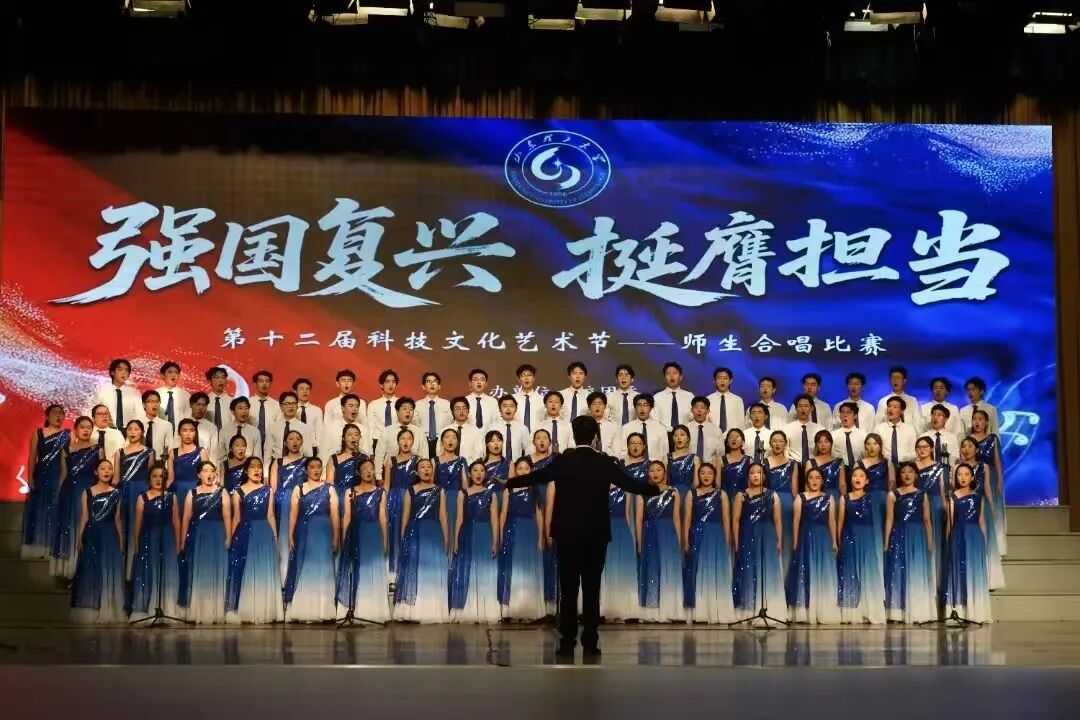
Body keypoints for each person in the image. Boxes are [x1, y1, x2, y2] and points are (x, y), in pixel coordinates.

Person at [505, 416, 659, 659]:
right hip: (596, 533)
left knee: (568, 589)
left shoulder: (564, 460)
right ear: (595, 436)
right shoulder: (603, 461)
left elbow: (539, 476)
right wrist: (654, 489)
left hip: (567, 533)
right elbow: (629, 483)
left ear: (574, 436)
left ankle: (567, 641)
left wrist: (510, 482)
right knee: (591, 587)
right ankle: (590, 641)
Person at [226, 457, 283, 624]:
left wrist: (275, 539)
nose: (257, 470)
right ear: (246, 470)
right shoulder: (238, 491)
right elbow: (236, 517)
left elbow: (270, 515)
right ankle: (249, 610)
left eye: (259, 467)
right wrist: (232, 539)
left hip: (264, 533)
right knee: (247, 570)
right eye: (252, 467)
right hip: (245, 532)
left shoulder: (268, 490)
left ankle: (265, 609)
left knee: (263, 569)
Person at [393, 458, 450, 623]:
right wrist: (403, 537)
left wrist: (446, 539)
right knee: (416, 568)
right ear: (417, 472)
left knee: (431, 570)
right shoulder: (410, 490)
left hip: (433, 534)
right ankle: (413, 611)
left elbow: (443, 517)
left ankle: (431, 610)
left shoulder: (440, 490)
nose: (426, 470)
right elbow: (405, 516)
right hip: (415, 532)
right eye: (422, 467)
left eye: (429, 467)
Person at [731, 463, 788, 622]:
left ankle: (772, 609)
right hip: (748, 535)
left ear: (764, 476)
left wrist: (779, 541)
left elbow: (777, 521)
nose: (756, 475)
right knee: (749, 569)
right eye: (752, 473)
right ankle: (748, 612)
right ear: (748, 476)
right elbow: (735, 520)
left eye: (759, 472)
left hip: (767, 536)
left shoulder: (772, 495)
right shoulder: (741, 496)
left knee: (768, 569)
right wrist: (736, 541)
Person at [69, 459, 124, 624]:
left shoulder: (116, 493)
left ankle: (107, 607)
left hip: (109, 534)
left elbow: (118, 519)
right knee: (91, 568)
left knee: (108, 568)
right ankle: (91, 608)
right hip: (92, 533)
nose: (106, 471)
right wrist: (79, 537)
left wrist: (121, 541)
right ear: (96, 472)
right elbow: (84, 517)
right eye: (102, 468)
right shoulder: (87, 492)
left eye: (109, 469)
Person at [284, 457, 338, 622]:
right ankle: (305, 609)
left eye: (318, 467)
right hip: (304, 532)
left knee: (324, 568)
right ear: (306, 470)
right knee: (305, 567)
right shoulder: (298, 489)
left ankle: (323, 610)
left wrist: (336, 536)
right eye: (312, 467)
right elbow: (293, 514)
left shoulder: (330, 489)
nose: (316, 470)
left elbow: (335, 515)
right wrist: (290, 534)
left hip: (324, 533)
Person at [336, 458, 390, 623]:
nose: (368, 471)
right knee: (357, 569)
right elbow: (346, 517)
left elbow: (382, 518)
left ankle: (372, 610)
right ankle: (356, 608)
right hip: (356, 533)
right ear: (358, 472)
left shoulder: (380, 492)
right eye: (365, 469)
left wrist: (385, 540)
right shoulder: (350, 491)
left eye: (371, 468)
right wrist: (344, 539)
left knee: (372, 568)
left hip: (373, 534)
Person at [179, 461, 231, 624]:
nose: (209, 474)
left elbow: (227, 516)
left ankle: (217, 610)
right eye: (205, 470)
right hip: (199, 535)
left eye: (212, 470)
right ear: (199, 474)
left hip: (217, 534)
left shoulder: (222, 492)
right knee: (201, 569)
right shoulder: (192, 493)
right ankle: (200, 609)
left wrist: (228, 536)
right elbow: (186, 518)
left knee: (217, 568)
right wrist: (182, 540)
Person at [786, 466, 840, 624]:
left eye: (818, 478)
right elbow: (796, 521)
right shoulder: (800, 497)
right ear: (807, 480)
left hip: (824, 538)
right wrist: (795, 541)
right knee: (806, 570)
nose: (814, 481)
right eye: (811, 478)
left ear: (822, 481)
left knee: (824, 571)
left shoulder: (829, 498)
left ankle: (823, 609)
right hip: (806, 538)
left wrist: (834, 541)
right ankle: (805, 611)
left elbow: (832, 521)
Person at [884, 462, 936, 624]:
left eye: (911, 472)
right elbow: (889, 520)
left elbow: (927, 520)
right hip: (899, 534)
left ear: (916, 475)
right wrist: (886, 542)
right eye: (904, 472)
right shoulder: (893, 495)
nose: (907, 475)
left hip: (918, 536)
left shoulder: (922, 495)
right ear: (899, 475)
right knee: (899, 570)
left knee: (916, 570)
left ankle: (918, 610)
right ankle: (898, 612)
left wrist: (929, 542)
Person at [449, 461, 501, 624]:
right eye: (475, 470)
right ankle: (468, 609)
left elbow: (495, 520)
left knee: (485, 570)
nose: (478, 473)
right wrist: (455, 540)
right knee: (468, 569)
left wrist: (495, 540)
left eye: (482, 470)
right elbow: (459, 518)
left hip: (485, 534)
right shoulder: (462, 493)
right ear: (470, 474)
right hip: (468, 533)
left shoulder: (491, 494)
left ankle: (486, 610)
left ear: (485, 473)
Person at [682, 462, 734, 624]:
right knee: (697, 568)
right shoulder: (691, 493)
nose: (706, 476)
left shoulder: (721, 494)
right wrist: (685, 539)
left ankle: (717, 609)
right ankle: (700, 611)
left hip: (716, 534)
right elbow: (687, 519)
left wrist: (726, 540)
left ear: (715, 476)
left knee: (715, 568)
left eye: (709, 473)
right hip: (697, 533)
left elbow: (726, 519)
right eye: (702, 473)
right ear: (698, 475)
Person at [129, 464, 181, 623]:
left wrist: (178, 544)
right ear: (149, 479)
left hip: (167, 538)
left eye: (161, 477)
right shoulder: (142, 497)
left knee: (167, 571)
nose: (158, 480)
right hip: (149, 538)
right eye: (155, 476)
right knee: (150, 571)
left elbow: (176, 521)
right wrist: (137, 545)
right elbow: (137, 524)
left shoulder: (171, 497)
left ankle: (168, 608)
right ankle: (148, 608)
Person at [51, 417, 101, 580]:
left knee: (86, 527)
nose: (86, 430)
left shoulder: (97, 450)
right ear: (76, 430)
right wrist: (58, 493)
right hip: (70, 492)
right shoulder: (67, 450)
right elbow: (63, 474)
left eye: (89, 427)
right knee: (70, 527)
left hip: (90, 492)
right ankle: (70, 572)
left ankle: (86, 572)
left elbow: (101, 474)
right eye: (82, 427)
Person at [943, 464, 993, 624]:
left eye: (966, 474)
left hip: (975, 537)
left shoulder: (978, 497)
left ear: (972, 477)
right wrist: (948, 541)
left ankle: (976, 611)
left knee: (974, 571)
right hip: (959, 535)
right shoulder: (952, 498)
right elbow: (949, 523)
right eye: (959, 474)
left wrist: (984, 541)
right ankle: (960, 609)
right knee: (959, 571)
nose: (963, 477)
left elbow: (981, 521)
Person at [836, 466, 886, 625]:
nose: (857, 478)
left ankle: (869, 611)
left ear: (867, 481)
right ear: (850, 479)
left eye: (861, 476)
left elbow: (877, 522)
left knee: (868, 573)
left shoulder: (873, 498)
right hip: (849, 538)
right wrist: (838, 540)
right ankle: (852, 613)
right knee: (850, 573)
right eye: (854, 475)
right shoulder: (844, 498)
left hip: (868, 540)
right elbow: (840, 522)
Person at [498, 457, 546, 622]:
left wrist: (540, 537)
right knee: (515, 567)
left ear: (531, 471)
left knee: (529, 567)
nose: (523, 471)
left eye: (526, 468)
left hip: (530, 531)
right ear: (515, 471)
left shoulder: (535, 489)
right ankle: (514, 609)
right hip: (513, 530)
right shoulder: (509, 490)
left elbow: (539, 515)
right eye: (520, 468)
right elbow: (503, 514)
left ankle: (530, 609)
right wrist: (501, 534)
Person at [636, 461, 684, 622]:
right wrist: (639, 543)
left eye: (659, 470)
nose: (655, 473)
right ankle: (652, 612)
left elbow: (676, 518)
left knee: (669, 567)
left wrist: (679, 541)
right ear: (647, 474)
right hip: (650, 534)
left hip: (669, 533)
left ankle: (670, 609)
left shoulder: (673, 492)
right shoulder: (642, 493)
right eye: (651, 470)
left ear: (664, 473)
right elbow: (639, 520)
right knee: (652, 568)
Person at [21, 405, 69, 560]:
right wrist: (30, 477)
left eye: (61, 413)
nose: (59, 416)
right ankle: (35, 548)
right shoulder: (38, 433)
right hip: (40, 475)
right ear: (47, 416)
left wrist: (62, 481)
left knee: (54, 510)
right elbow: (32, 457)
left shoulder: (66, 435)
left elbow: (64, 461)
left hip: (56, 475)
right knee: (38, 509)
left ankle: (51, 548)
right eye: (55, 413)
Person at [957, 437, 1005, 589]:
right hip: (963, 507)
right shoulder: (958, 467)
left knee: (985, 541)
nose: (966, 449)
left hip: (980, 505)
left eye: (970, 446)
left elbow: (987, 488)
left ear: (977, 449)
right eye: (964, 446)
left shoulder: (983, 466)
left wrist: (991, 507)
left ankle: (988, 580)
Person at [602, 455, 640, 623]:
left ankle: (624, 608)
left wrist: (630, 534)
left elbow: (627, 514)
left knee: (622, 567)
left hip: (621, 529)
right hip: (602, 526)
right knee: (604, 568)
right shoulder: (598, 486)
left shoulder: (625, 490)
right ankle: (603, 608)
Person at [114, 419, 153, 570]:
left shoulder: (149, 452)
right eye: (130, 429)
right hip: (124, 493)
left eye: (136, 429)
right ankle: (124, 568)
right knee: (124, 525)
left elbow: (151, 478)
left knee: (141, 526)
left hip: (141, 492)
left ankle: (138, 566)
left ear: (142, 432)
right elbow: (116, 479)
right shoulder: (119, 452)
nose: (132, 432)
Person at [272, 432, 310, 584]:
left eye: (298, 439)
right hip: (282, 502)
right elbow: (274, 487)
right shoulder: (278, 462)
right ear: (285, 443)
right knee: (284, 535)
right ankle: (283, 577)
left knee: (300, 534)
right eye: (291, 439)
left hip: (302, 499)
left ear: (302, 442)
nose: (295, 442)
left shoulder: (307, 461)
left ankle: (299, 576)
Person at [914, 435, 949, 593]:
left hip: (935, 505)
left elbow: (943, 490)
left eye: (925, 447)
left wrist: (945, 508)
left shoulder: (940, 467)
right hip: (916, 504)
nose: (922, 450)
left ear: (932, 449)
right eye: (919, 447)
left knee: (935, 541)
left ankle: (936, 582)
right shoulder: (912, 467)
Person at [970, 409, 1007, 555]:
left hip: (990, 476)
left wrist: (999, 480)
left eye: (980, 419)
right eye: (974, 419)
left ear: (986, 422)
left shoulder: (992, 439)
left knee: (992, 509)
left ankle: (997, 547)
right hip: (973, 476)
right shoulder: (968, 439)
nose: (977, 422)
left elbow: (997, 461)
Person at [385, 428, 420, 579]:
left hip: (412, 498)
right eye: (402, 438)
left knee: (409, 531)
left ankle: (409, 570)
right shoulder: (390, 460)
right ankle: (394, 574)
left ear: (413, 442)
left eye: (409, 438)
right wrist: (383, 503)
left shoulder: (418, 461)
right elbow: (387, 485)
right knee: (394, 532)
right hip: (394, 499)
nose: (406, 442)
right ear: (398, 441)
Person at [764, 431, 799, 571]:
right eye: (774, 441)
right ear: (770, 443)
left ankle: (786, 574)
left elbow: (794, 489)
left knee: (787, 537)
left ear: (785, 444)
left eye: (780, 441)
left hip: (787, 503)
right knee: (771, 536)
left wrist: (796, 506)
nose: (777, 444)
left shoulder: (792, 463)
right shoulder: (764, 462)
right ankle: (772, 573)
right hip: (769, 501)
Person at [375, 398, 428, 476]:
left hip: (414, 474)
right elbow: (379, 455)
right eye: (404, 409)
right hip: (390, 473)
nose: (408, 411)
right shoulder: (387, 431)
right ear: (397, 412)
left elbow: (424, 456)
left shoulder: (419, 432)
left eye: (411, 409)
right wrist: (378, 476)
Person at [857, 433, 895, 545]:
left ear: (880, 446)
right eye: (869, 444)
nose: (872, 447)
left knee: (884, 529)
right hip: (865, 501)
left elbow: (892, 483)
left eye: (875, 444)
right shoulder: (859, 464)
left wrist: (890, 502)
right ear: (865, 446)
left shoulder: (887, 463)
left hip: (884, 501)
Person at [86, 358, 140, 434]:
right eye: (120, 369)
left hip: (129, 433)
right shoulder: (102, 392)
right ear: (112, 372)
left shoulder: (134, 393)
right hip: (107, 432)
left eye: (126, 370)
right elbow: (91, 412)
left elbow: (140, 415)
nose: (124, 373)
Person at [434, 429, 468, 546]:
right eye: (447, 437)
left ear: (457, 442)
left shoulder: (462, 460)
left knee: (455, 528)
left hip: (456, 500)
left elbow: (465, 485)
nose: (450, 440)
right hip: (438, 500)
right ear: (442, 441)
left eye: (454, 438)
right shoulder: (434, 460)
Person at [326, 424, 366, 519]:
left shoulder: (364, 458)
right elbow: (329, 484)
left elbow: (370, 483)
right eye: (350, 434)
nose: (353, 437)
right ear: (343, 438)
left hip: (360, 497)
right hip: (340, 498)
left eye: (356, 434)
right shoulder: (334, 458)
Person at [618, 394, 668, 463]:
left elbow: (665, 454)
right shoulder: (626, 428)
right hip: (633, 467)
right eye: (639, 405)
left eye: (645, 405)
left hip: (655, 467)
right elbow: (623, 452)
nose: (642, 408)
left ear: (651, 408)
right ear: (635, 408)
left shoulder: (661, 429)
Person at [267, 391, 312, 463]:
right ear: (281, 406)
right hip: (277, 464)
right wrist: (267, 469)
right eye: (287, 403)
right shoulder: (273, 427)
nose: (291, 406)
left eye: (293, 403)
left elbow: (308, 453)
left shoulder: (305, 427)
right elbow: (267, 451)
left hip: (297, 465)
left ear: (297, 406)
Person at [780, 394, 825, 464]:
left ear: (812, 408)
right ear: (795, 408)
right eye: (800, 406)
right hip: (793, 465)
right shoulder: (786, 429)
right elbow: (785, 450)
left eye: (806, 406)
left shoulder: (820, 429)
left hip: (815, 465)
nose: (803, 409)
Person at [873, 396, 917, 466]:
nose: (891, 409)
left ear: (901, 411)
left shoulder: (910, 429)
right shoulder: (878, 429)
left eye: (895, 407)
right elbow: (875, 451)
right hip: (885, 466)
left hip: (905, 467)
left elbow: (914, 451)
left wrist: (904, 459)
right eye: (889, 406)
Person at [418, 371, 453, 458]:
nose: (432, 384)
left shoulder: (447, 404)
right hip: (423, 441)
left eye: (435, 381)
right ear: (423, 386)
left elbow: (452, 424)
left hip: (442, 442)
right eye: (428, 381)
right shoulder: (417, 405)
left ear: (439, 386)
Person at [367, 370, 401, 457]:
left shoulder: (401, 403)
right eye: (387, 382)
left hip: (396, 442)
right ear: (381, 385)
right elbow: (370, 429)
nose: (391, 385)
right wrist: (370, 450)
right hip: (377, 441)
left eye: (393, 382)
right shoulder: (373, 404)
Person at [439, 396, 484, 462]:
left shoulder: (476, 432)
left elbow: (479, 454)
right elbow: (439, 452)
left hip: (469, 466)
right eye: (457, 408)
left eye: (464, 408)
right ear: (452, 411)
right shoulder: (444, 430)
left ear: (468, 410)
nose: (461, 411)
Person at [485, 395, 530, 461]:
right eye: (505, 406)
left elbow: (527, 450)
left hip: (516, 465)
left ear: (516, 409)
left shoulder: (523, 428)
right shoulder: (492, 427)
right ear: (499, 409)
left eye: (511, 406)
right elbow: (485, 449)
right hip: (497, 465)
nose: (508, 409)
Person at [655, 361, 695, 435]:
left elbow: (693, 418)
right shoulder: (657, 397)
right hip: (663, 435)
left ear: (681, 377)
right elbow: (654, 420)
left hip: (685, 435)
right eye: (668, 374)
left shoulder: (690, 396)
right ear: (664, 378)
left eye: (675, 373)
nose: (671, 376)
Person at [807, 430, 845, 501]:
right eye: (820, 442)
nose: (823, 445)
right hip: (816, 498)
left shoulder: (839, 462)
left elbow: (842, 485)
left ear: (831, 443)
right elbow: (807, 485)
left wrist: (844, 502)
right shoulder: (810, 463)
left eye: (826, 441)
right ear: (816, 445)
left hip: (835, 497)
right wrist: (809, 501)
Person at [706, 367, 744, 436]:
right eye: (719, 378)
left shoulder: (737, 400)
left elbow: (741, 423)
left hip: (732, 438)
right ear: (714, 380)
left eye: (725, 378)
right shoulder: (708, 400)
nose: (722, 381)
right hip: (712, 437)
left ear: (730, 381)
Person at [153, 361, 191, 431]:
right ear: (162, 376)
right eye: (170, 372)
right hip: (160, 430)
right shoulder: (155, 394)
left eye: (176, 373)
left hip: (179, 432)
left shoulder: (186, 395)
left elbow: (188, 415)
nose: (173, 375)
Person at [250, 370, 281, 451]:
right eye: (261, 381)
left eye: (267, 381)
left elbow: (279, 426)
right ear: (255, 384)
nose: (264, 384)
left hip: (271, 444)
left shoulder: (277, 405)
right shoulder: (248, 403)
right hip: (251, 443)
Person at [223, 397, 263, 462]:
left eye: (246, 408)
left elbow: (258, 457)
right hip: (229, 467)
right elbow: (220, 457)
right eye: (240, 408)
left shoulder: (255, 432)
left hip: (249, 467)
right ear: (233, 411)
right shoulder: (224, 431)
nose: (244, 411)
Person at [292, 377, 323, 458]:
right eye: (302, 389)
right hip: (294, 448)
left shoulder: (317, 410)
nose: (305, 391)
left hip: (312, 448)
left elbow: (319, 434)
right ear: (295, 391)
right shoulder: (291, 409)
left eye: (307, 389)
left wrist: (319, 453)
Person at [687, 395, 724, 464]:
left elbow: (720, 455)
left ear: (708, 410)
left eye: (703, 408)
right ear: (691, 410)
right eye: (696, 407)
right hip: (689, 466)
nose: (699, 410)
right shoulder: (686, 429)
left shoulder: (716, 430)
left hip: (710, 467)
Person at [831, 402, 867, 469]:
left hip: (859, 471)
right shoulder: (832, 436)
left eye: (848, 412)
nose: (845, 415)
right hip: (839, 470)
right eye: (842, 412)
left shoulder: (864, 436)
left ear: (855, 415)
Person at [720, 428, 752, 501]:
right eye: (730, 437)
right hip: (725, 499)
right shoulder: (720, 460)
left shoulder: (749, 460)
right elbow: (717, 484)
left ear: (742, 442)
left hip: (743, 499)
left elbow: (751, 484)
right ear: (727, 442)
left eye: (737, 437)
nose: (734, 439)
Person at [512, 364, 545, 433]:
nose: (526, 378)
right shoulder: (512, 399)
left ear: (534, 378)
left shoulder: (542, 400)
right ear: (519, 379)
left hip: (537, 437)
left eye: (529, 375)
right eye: (523, 375)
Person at [667, 425, 700, 494]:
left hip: (689, 495)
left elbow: (696, 484)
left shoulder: (695, 459)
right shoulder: (666, 458)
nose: (679, 438)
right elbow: (664, 483)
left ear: (688, 438)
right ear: (672, 438)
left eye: (682, 435)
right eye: (676, 435)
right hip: (671, 495)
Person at [140, 390, 172, 458]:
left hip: (159, 461)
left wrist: (165, 461)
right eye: (151, 401)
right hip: (140, 461)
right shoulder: (137, 424)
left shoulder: (167, 425)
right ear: (144, 405)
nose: (155, 405)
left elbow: (168, 447)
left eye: (157, 401)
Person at [204, 366, 234, 433]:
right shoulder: (204, 401)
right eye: (216, 377)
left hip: (228, 436)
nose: (220, 380)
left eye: (223, 377)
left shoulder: (232, 402)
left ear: (226, 381)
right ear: (210, 381)